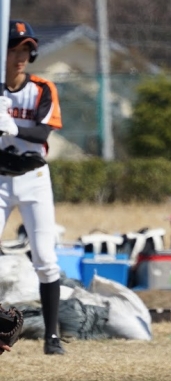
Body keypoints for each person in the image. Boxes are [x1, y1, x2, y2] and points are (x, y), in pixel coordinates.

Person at [0, 20, 64, 355]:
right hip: (0, 178)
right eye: (14, 49)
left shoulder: (41, 88)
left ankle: (51, 337)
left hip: (34, 178)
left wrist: (10, 126)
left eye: (26, 50)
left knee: (45, 257)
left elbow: (42, 132)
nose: (21, 57)